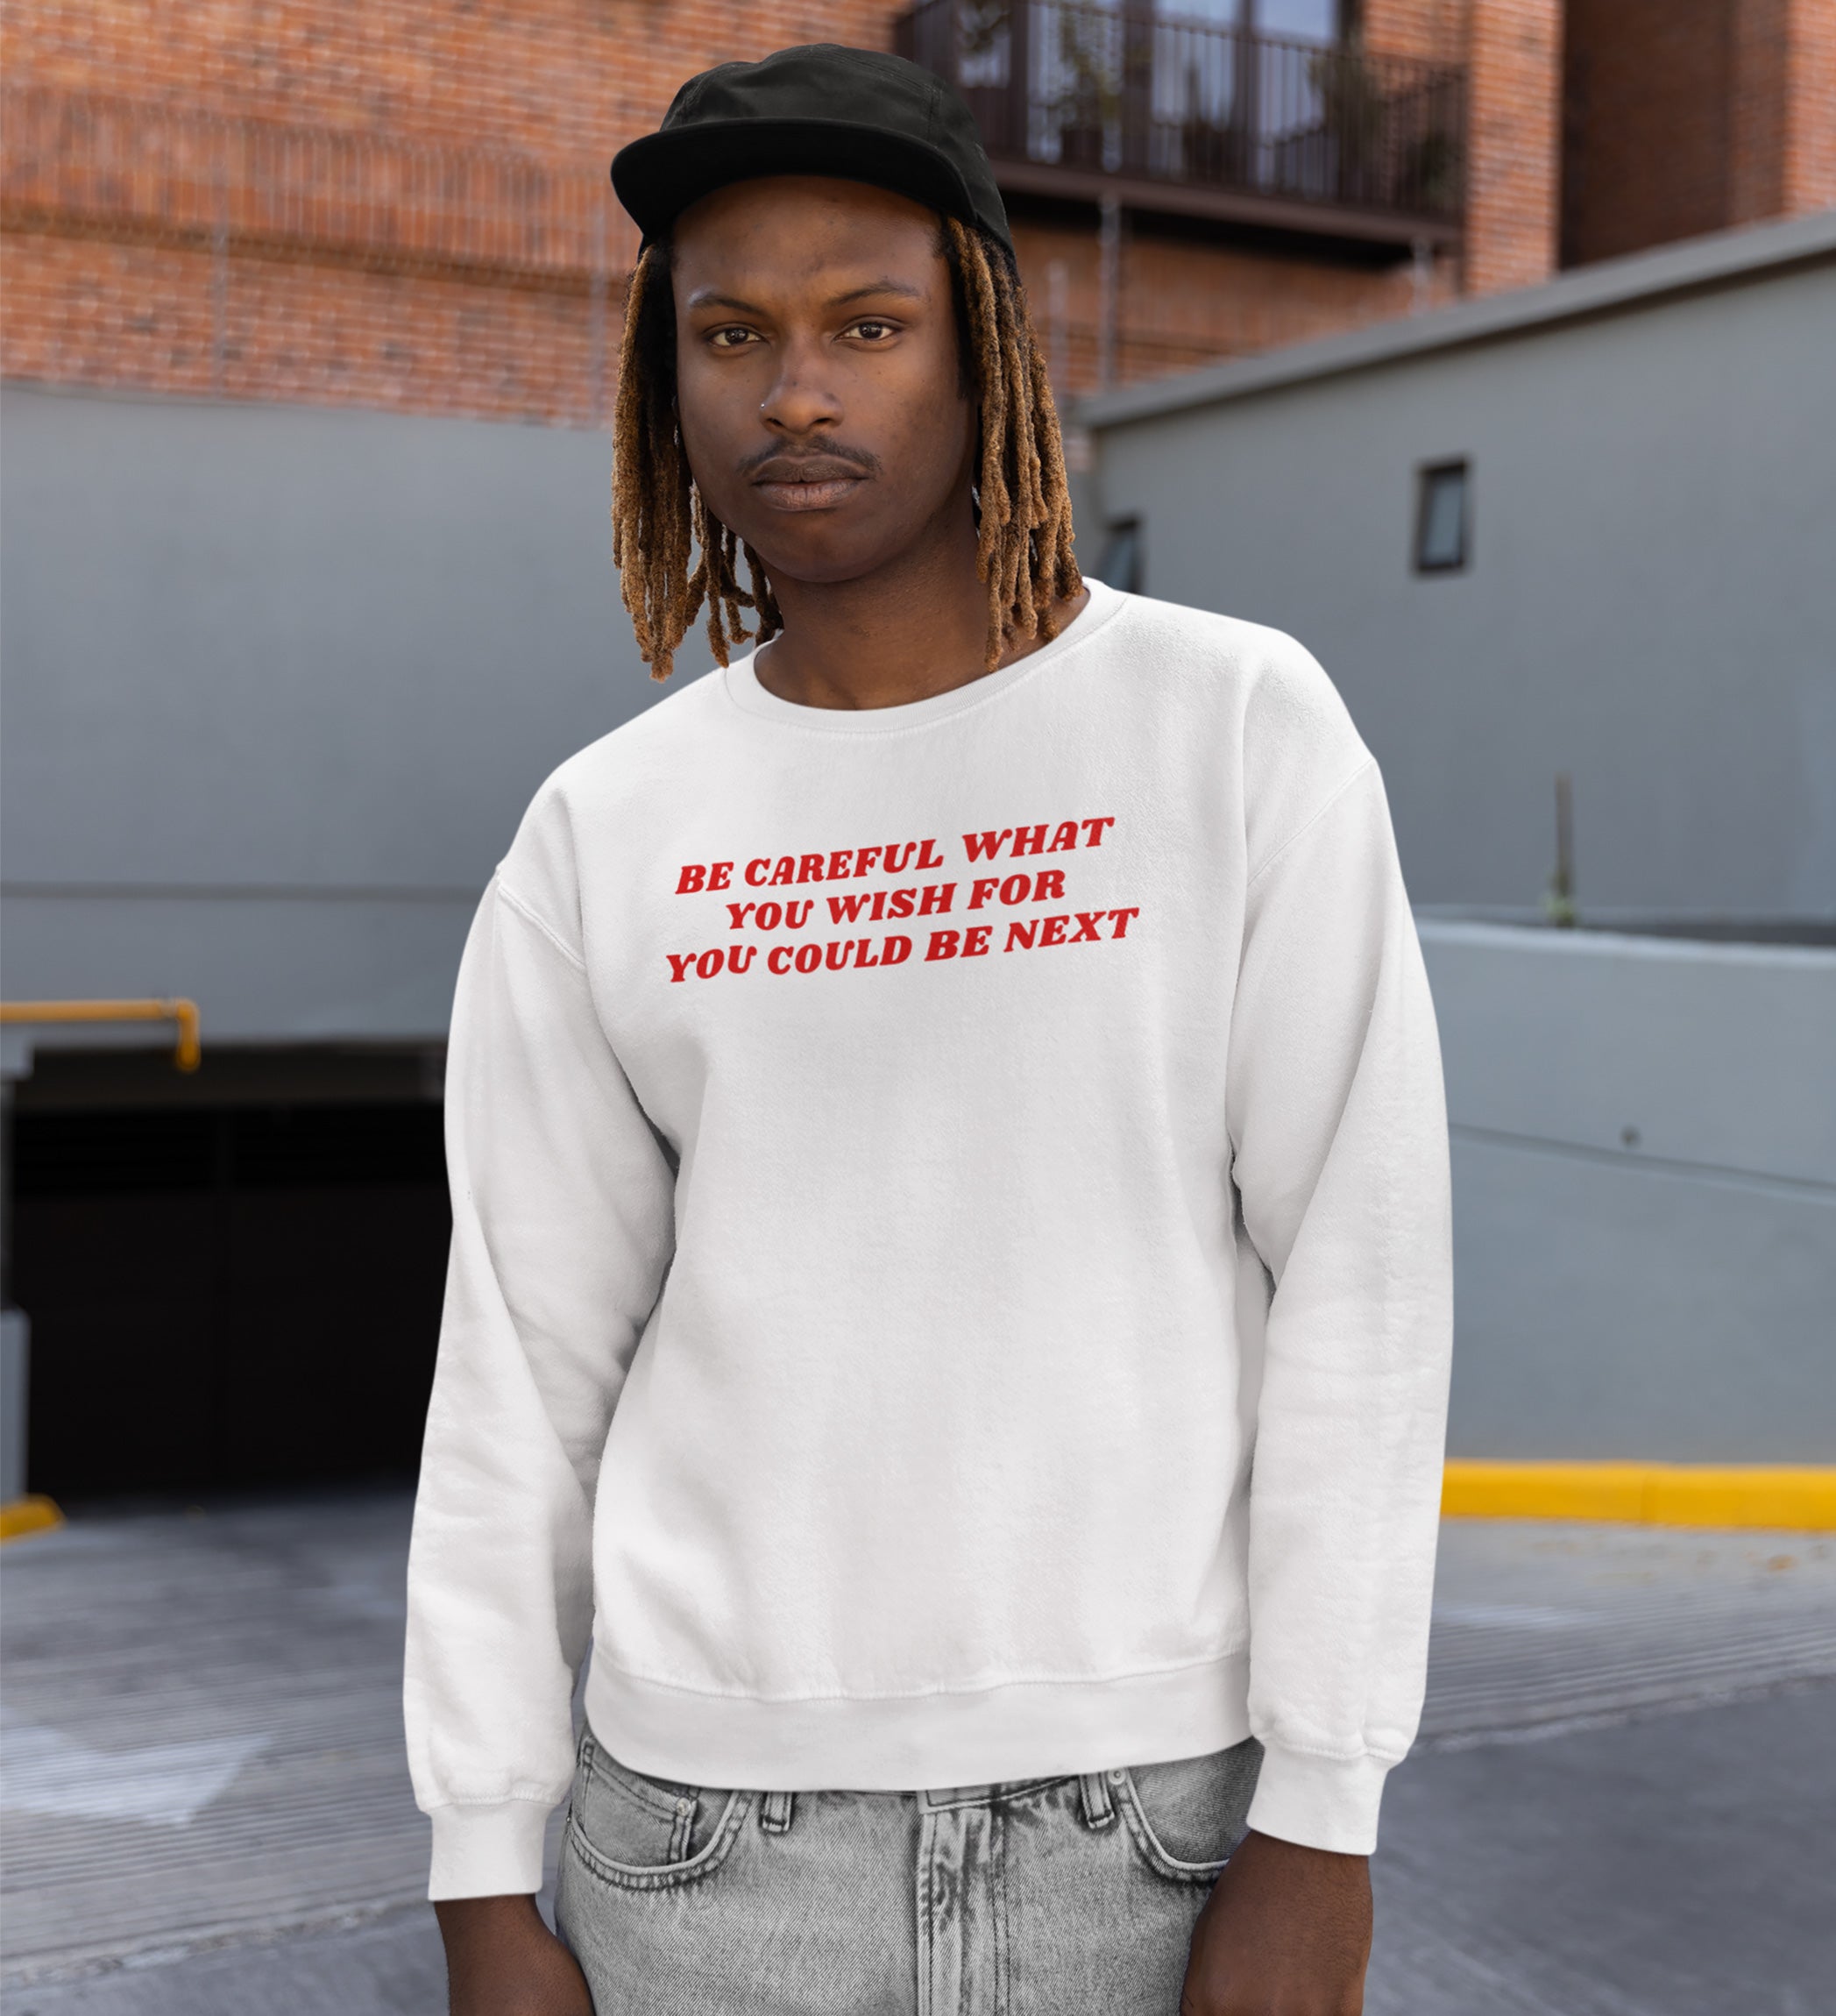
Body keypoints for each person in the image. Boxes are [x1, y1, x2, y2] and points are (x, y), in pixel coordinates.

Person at [405, 42, 1451, 2016]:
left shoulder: (1231, 730)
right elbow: (521, 1378)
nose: (793, 391)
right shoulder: (602, 833)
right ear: (667, 384)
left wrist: (1323, 1821)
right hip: (706, 1857)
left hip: (1151, 1832)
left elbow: (1362, 1296)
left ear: (980, 349)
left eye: (864, 325)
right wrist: (480, 1873)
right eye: (730, 334)